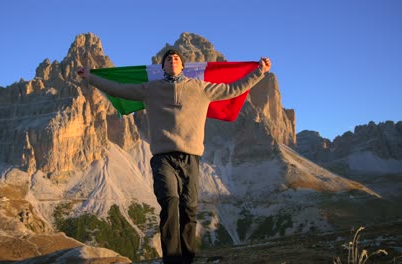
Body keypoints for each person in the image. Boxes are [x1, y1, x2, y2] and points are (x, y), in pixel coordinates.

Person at [78, 49, 271, 264]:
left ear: (183, 66)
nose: (173, 60)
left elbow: (233, 89)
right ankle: (172, 260)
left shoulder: (201, 88)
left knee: (189, 208)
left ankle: (187, 258)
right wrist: (90, 77)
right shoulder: (150, 89)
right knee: (169, 202)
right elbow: (119, 89)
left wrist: (259, 72)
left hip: (191, 158)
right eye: (168, 59)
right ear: (163, 67)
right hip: (163, 158)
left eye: (177, 58)